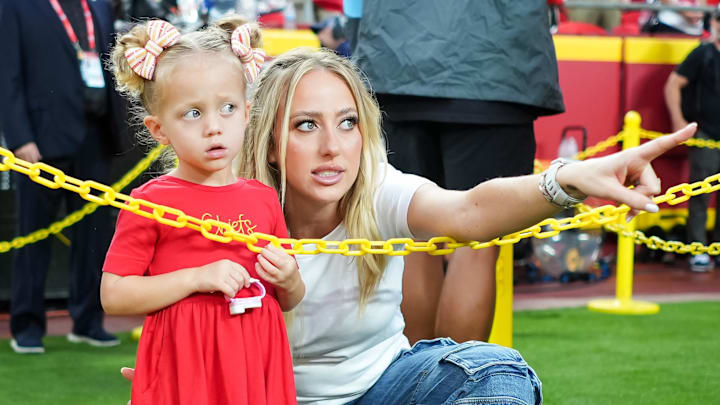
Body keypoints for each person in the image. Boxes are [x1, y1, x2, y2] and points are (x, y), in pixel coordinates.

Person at [121, 46, 694, 405]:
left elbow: (469, 211)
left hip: (385, 385)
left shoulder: (375, 183)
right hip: (271, 396)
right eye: (305, 126)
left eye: (347, 124)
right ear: (269, 140)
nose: (332, 148)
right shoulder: (218, 210)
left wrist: (569, 179)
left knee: (497, 373)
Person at [101, 18, 303, 404]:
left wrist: (291, 278)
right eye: (193, 113)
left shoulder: (262, 198)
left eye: (227, 108)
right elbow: (114, 295)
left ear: (246, 113)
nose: (214, 127)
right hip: (185, 368)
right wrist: (196, 278)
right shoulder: (151, 200)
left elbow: (288, 296)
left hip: (254, 361)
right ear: (159, 129)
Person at [348, 0, 565, 343]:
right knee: (477, 245)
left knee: (410, 236)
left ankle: (414, 382)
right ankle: (455, 385)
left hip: (395, 60)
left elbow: (354, 8)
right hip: (494, 67)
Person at [0, 0, 128, 354]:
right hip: (40, 140)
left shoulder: (99, 6)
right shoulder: (15, 7)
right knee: (33, 235)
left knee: (94, 236)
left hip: (94, 134)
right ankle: (26, 326)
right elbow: (6, 72)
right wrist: (20, 138)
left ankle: (88, 322)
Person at [664, 7, 720, 272]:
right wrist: (679, 121)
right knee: (699, 193)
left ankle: (717, 248)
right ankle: (698, 248)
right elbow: (673, 83)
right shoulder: (703, 53)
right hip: (707, 134)